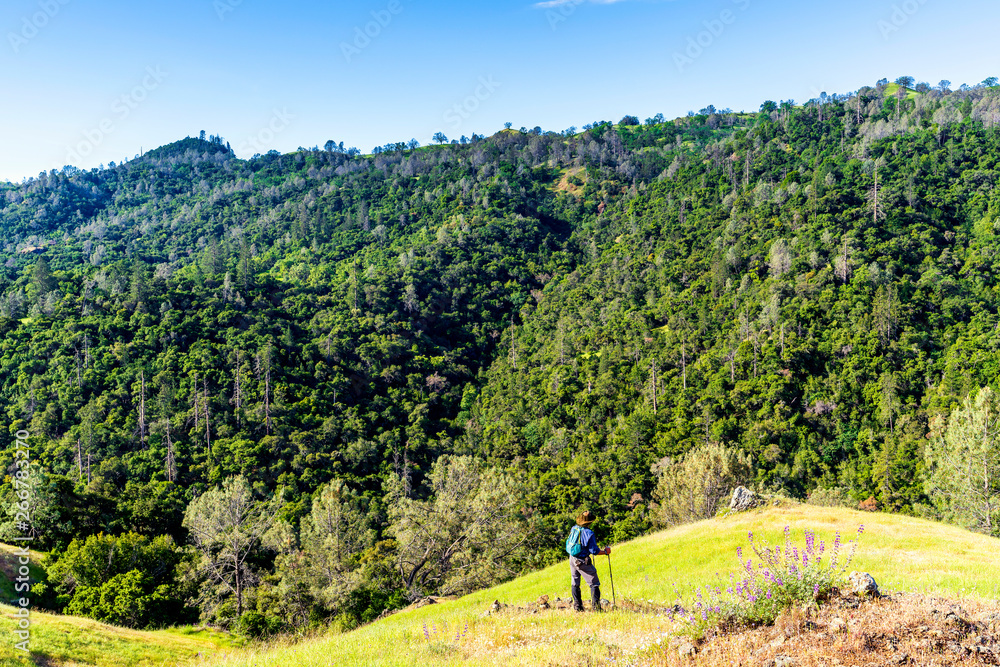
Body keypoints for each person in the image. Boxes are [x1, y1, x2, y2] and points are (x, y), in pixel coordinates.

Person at [569, 510, 610, 612]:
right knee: (594, 583)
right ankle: (596, 608)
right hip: (582, 561)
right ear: (590, 522)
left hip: (572, 558)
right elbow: (594, 551)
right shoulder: (589, 533)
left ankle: (577, 607)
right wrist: (605, 552)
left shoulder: (574, 528)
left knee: (575, 582)